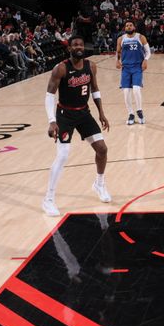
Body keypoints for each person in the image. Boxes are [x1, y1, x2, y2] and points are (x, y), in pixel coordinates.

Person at [42, 36, 111, 217]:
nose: (78, 47)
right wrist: (52, 121)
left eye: (81, 44)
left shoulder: (91, 66)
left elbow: (95, 89)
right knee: (63, 155)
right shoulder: (61, 68)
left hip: (84, 113)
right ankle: (48, 199)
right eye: (75, 45)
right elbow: (50, 95)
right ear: (69, 48)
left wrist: (101, 113)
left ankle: (99, 184)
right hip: (65, 115)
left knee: (102, 149)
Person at [116, 20, 150, 125]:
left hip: (137, 67)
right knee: (126, 92)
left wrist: (145, 60)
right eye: (127, 26)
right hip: (125, 68)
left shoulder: (140, 37)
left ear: (134, 27)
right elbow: (118, 52)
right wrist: (117, 60)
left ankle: (139, 111)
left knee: (136, 90)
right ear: (124, 28)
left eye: (130, 25)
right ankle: (131, 114)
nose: (129, 27)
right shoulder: (121, 39)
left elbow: (148, 52)